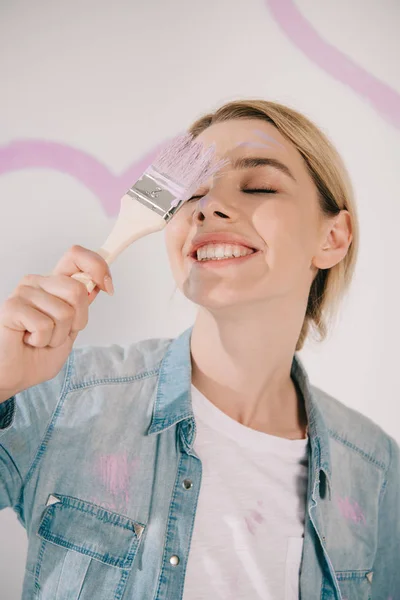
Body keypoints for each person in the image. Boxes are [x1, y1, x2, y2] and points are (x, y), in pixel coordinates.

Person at [0, 99, 398, 600]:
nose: (208, 207)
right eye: (191, 195)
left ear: (333, 237)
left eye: (258, 186)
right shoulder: (63, 398)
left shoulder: (376, 469)